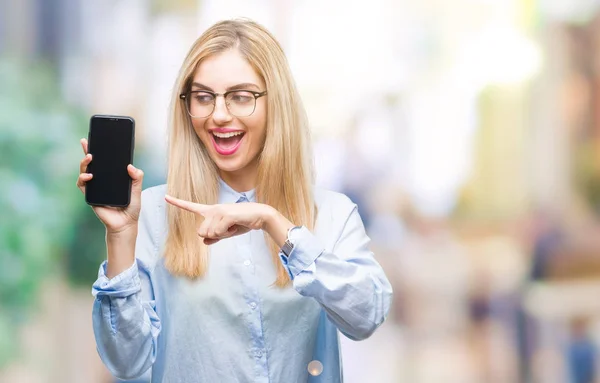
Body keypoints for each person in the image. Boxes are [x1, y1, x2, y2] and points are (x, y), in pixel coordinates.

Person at [76, 19, 392, 383]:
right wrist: (119, 236)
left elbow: (367, 316)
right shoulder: (152, 214)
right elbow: (126, 363)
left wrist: (275, 224)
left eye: (241, 96)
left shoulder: (333, 214)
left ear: (277, 105)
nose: (219, 114)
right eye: (204, 97)